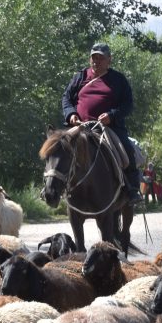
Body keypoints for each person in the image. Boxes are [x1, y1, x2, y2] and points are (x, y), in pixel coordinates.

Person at [62, 43, 142, 204]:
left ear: (109, 60)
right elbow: (66, 98)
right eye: (94, 58)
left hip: (108, 127)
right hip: (80, 126)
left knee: (126, 149)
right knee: (58, 147)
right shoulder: (80, 76)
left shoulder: (119, 80)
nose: (96, 61)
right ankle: (56, 187)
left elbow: (128, 104)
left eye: (100, 58)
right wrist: (71, 114)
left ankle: (132, 189)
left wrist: (112, 115)